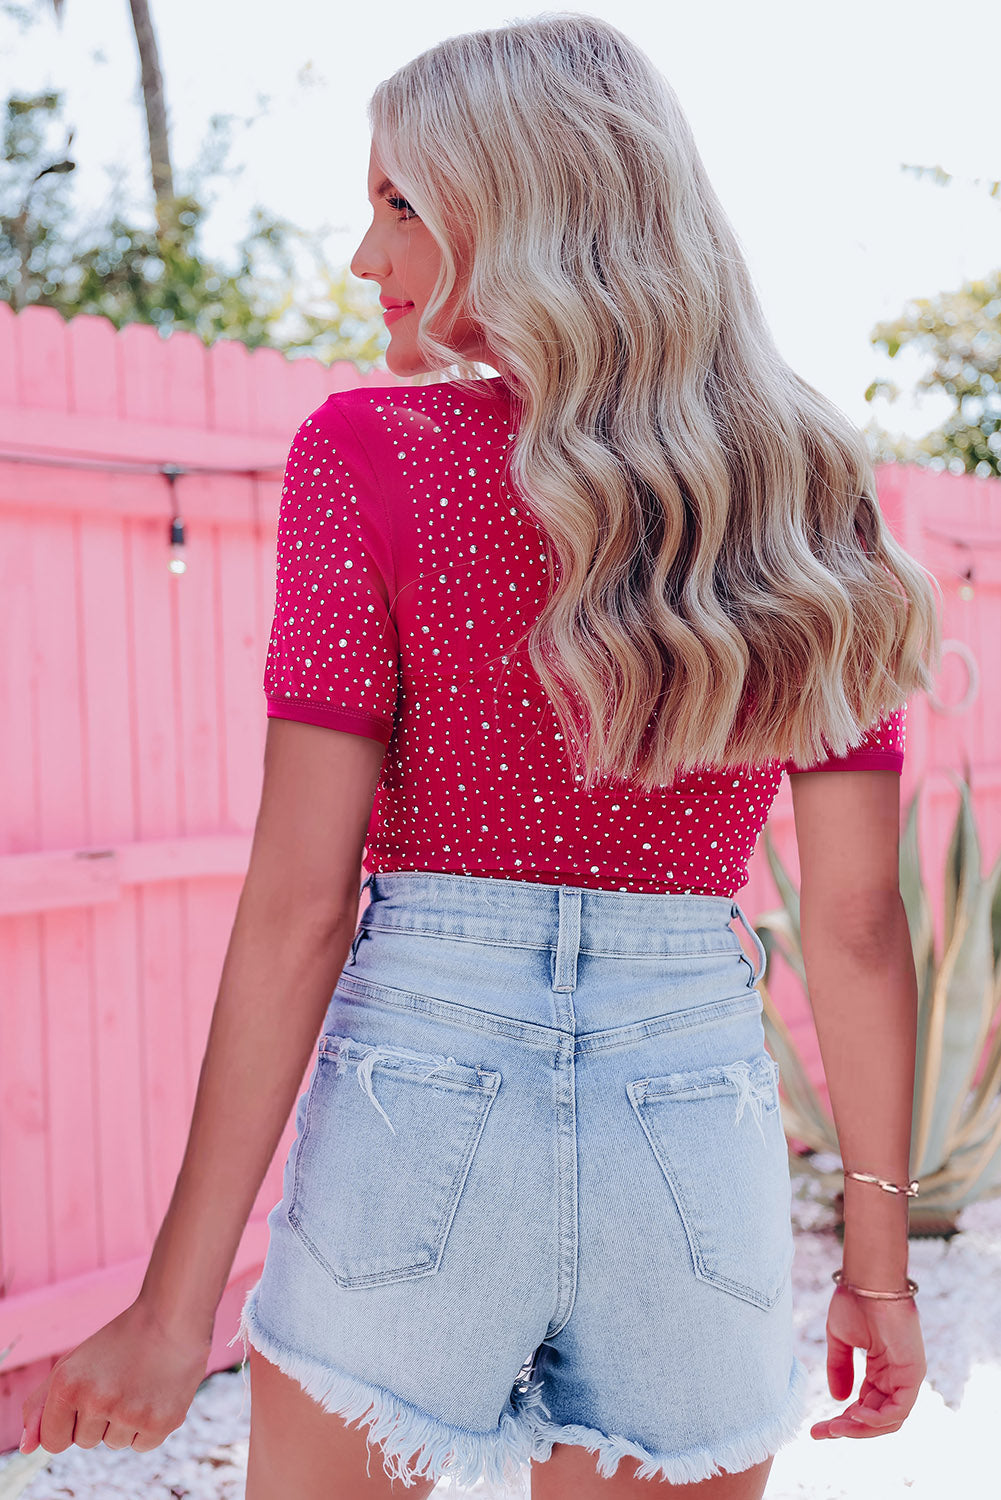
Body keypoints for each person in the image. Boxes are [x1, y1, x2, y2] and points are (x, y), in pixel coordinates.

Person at [19, 13, 941, 1499]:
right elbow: (852, 926)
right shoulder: (809, 488)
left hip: (419, 1096)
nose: (363, 257)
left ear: (523, 200)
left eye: (398, 202)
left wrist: (169, 1313)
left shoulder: (367, 456)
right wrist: (880, 1267)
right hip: (691, 1116)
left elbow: (299, 906)